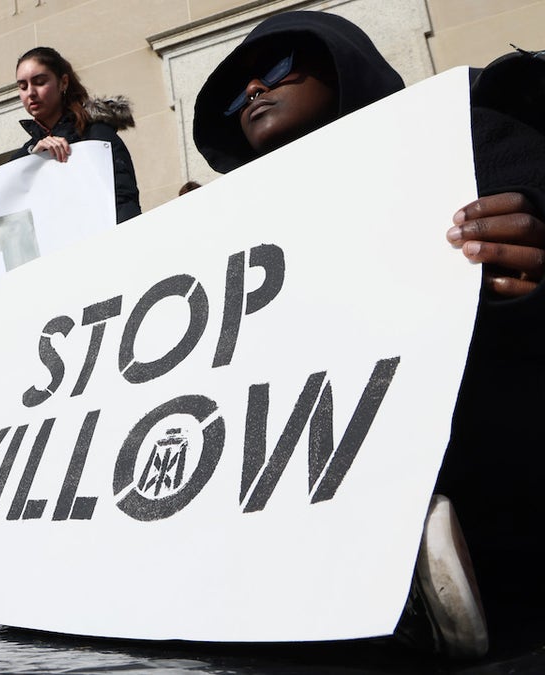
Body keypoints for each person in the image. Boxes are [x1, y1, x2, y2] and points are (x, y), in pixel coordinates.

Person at [191, 11, 545, 658]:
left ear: (344, 60)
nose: (252, 92)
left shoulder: (466, 132)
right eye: (233, 90)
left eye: (273, 68)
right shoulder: (209, 233)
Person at [12, 46, 141, 224]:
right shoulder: (22, 158)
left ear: (63, 82)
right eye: (23, 86)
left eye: (40, 82)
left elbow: (123, 202)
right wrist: (33, 163)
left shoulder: (97, 135)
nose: (31, 93)